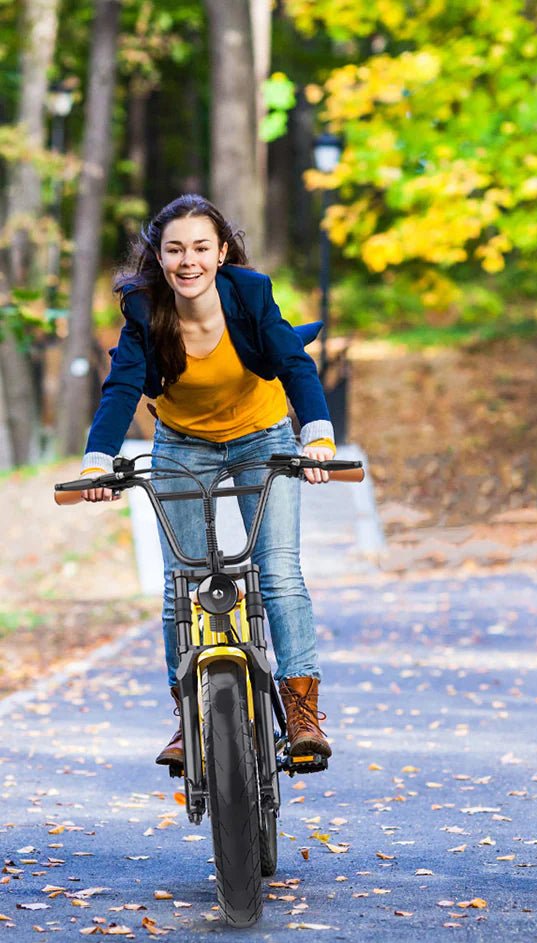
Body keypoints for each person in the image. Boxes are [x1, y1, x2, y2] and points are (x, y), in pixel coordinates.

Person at [78, 193, 336, 770]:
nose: (187, 261)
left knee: (278, 571)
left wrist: (316, 436)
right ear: (160, 257)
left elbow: (294, 364)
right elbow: (123, 386)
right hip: (182, 443)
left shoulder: (249, 292)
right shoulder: (145, 309)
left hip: (261, 436)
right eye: (174, 250)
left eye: (200, 247)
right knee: (183, 581)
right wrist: (97, 460)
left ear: (221, 252)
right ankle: (188, 717)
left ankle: (301, 711)